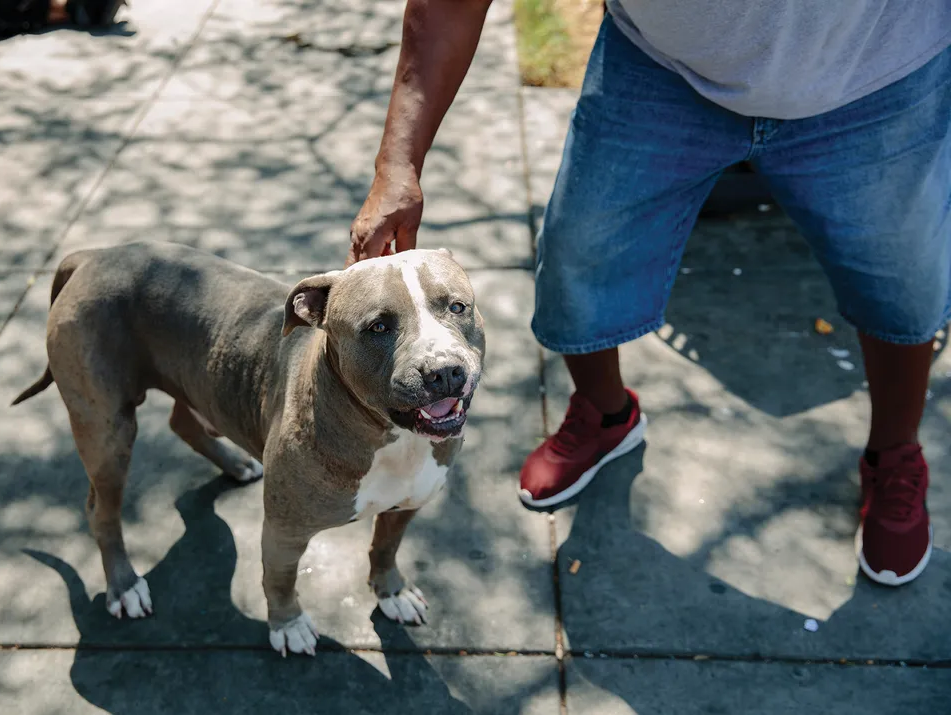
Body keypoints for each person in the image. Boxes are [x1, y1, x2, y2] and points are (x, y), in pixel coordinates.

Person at [347, 0, 951, 587]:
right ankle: (606, 416)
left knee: (902, 282)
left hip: (877, 83)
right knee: (578, 257)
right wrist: (398, 164)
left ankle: (894, 455)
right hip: (662, 71)